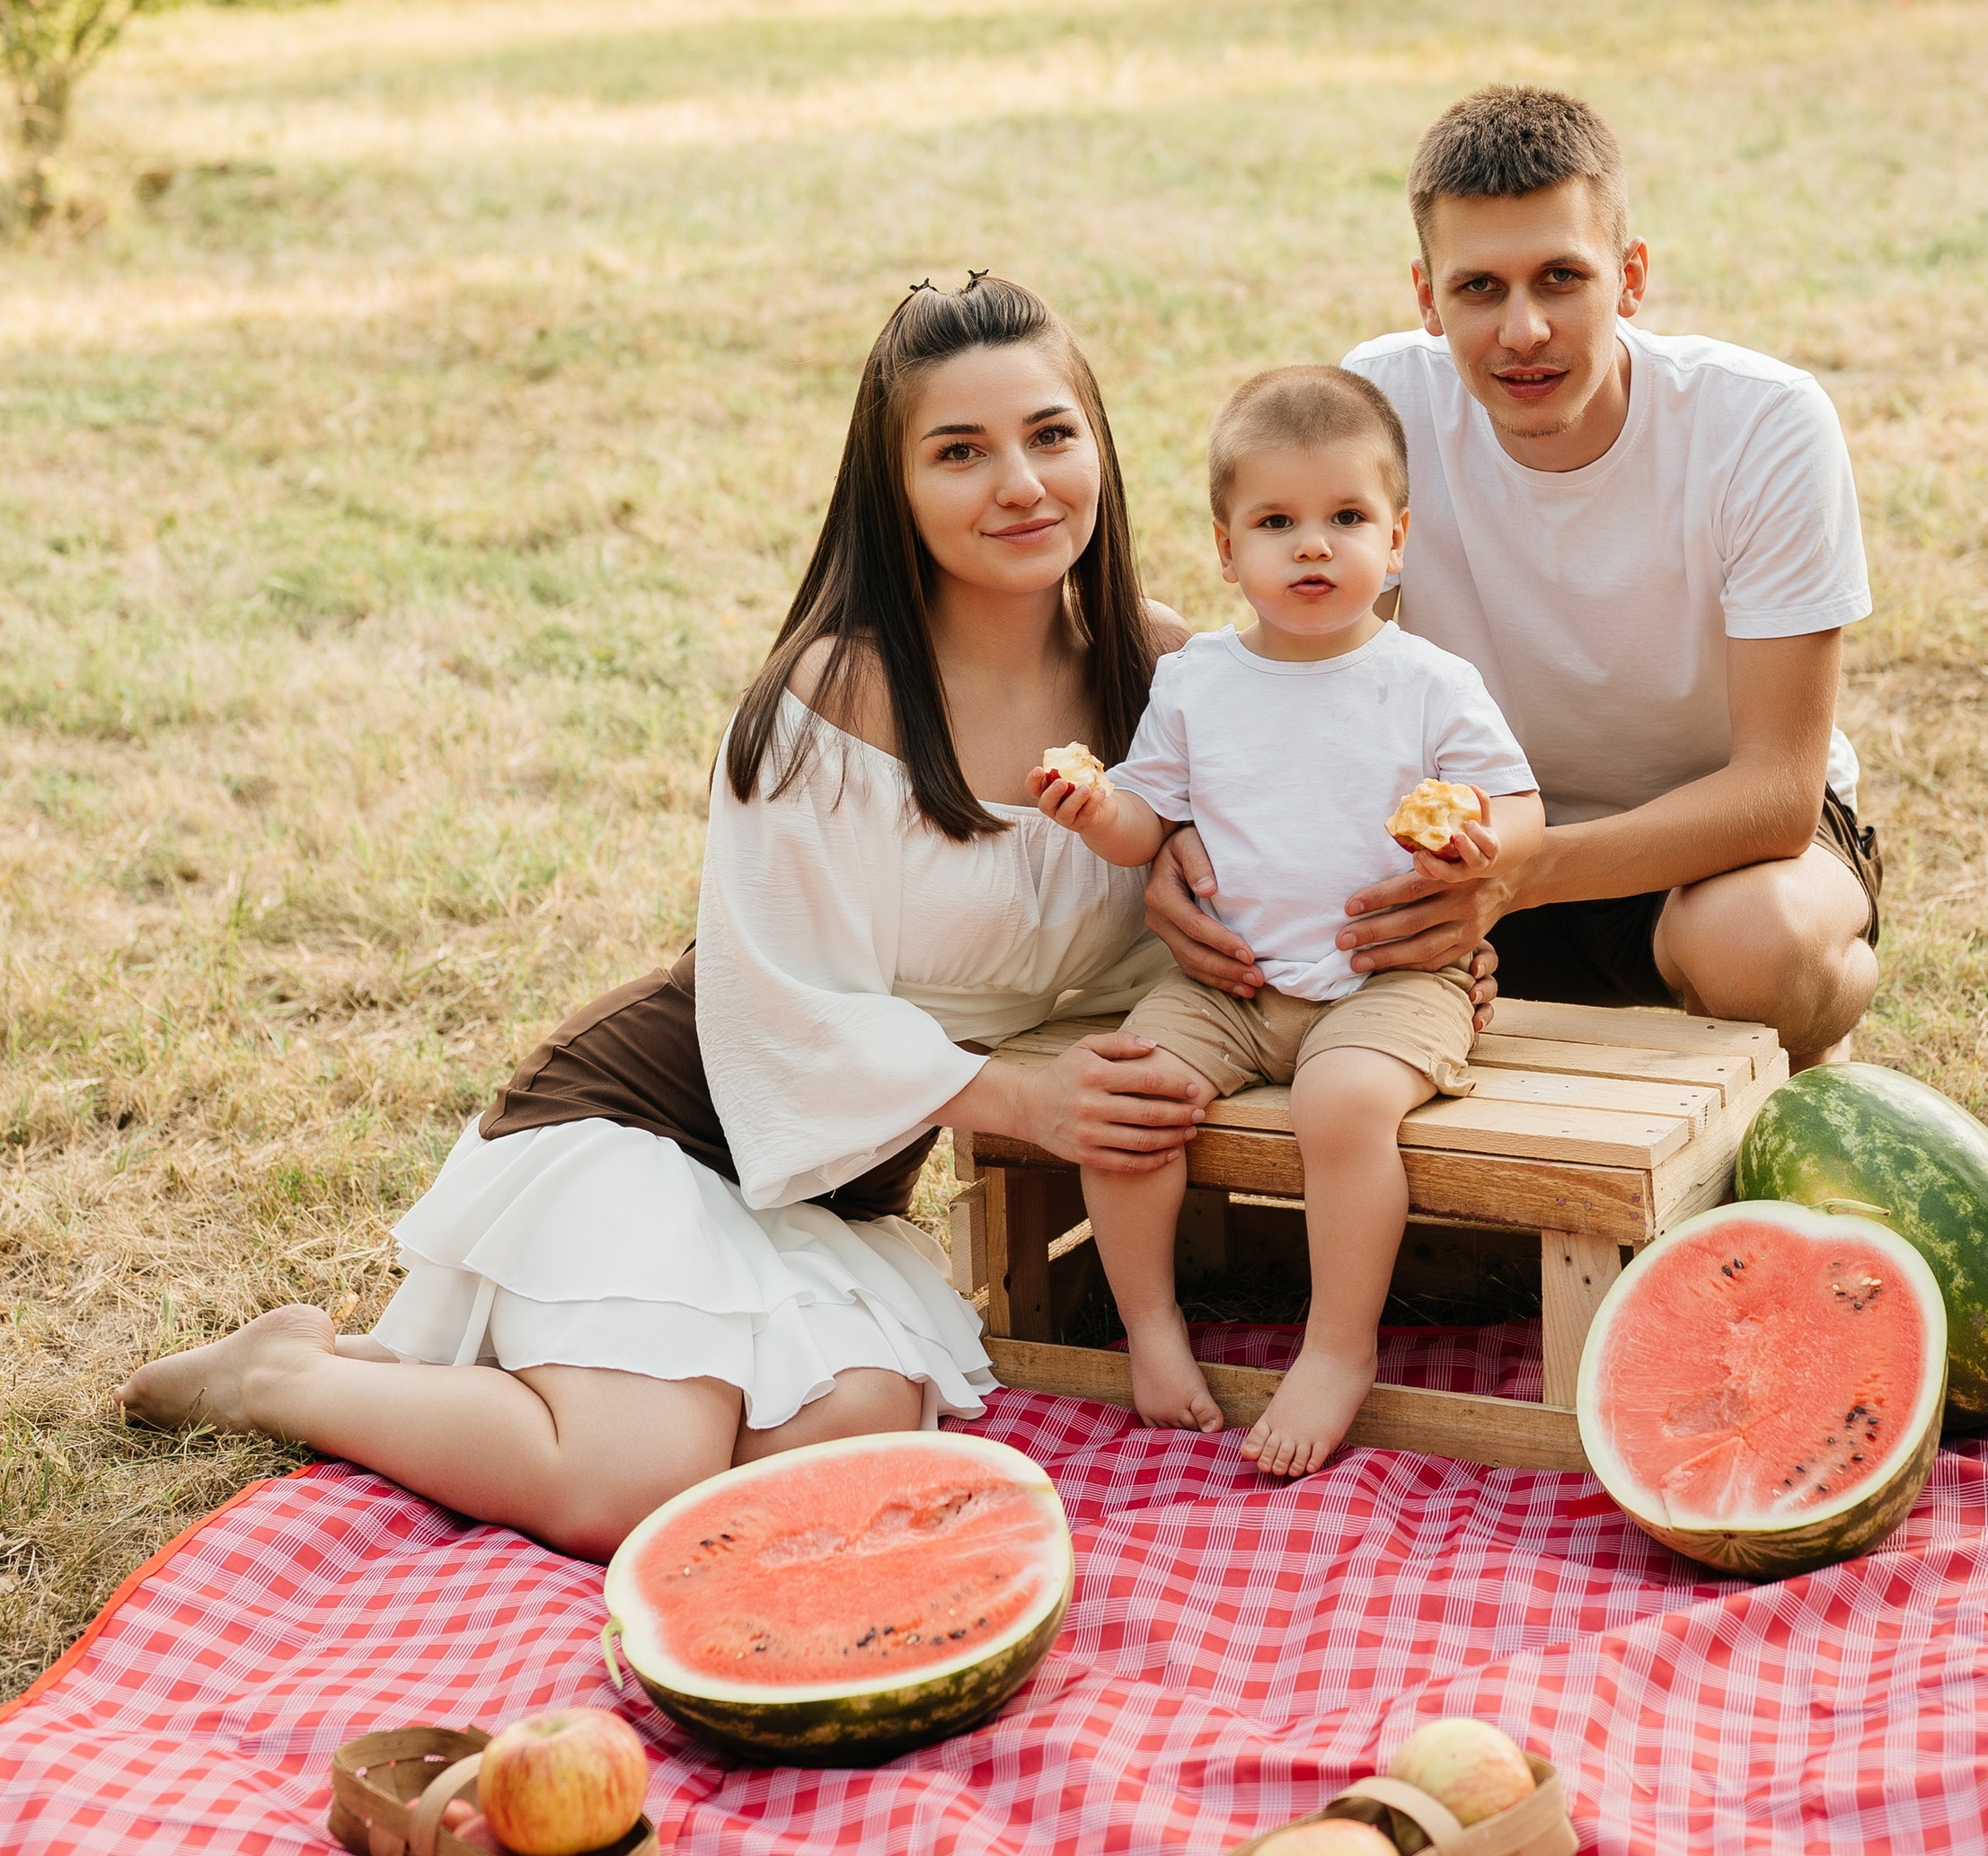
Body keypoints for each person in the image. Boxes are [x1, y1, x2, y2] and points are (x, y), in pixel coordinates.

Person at [123, 277, 1218, 1557]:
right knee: (628, 1485)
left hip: (829, 1183)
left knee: (854, 1432)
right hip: (655, 1120)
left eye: (1049, 434)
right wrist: (1024, 1101)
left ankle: (516, 1381)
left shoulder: (1161, 672)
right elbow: (778, 1009)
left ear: (1099, 441)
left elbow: (1245, 886)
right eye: (959, 451)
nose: (1021, 484)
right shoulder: (833, 695)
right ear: (893, 487)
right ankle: (284, 1376)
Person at [1146, 88, 1881, 1071]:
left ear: (1630, 277)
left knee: (1762, 945)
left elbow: (1777, 793)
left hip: (1710, 853)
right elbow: (1317, 683)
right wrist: (1188, 834)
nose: (1523, 329)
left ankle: (1808, 1058)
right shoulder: (1382, 403)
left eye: (1561, 278)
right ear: (1427, 296)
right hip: (1464, 857)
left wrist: (1519, 874)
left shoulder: (1762, 422)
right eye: (1480, 288)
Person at [1035, 367, 1541, 1479]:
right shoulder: (1198, 682)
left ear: (1395, 538)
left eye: (1346, 517)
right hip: (1229, 980)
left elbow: (1519, 805)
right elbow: (1146, 821)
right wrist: (1096, 808)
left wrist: (1480, 841)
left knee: (1341, 1100)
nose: (1313, 545)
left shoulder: (1427, 681)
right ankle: (1151, 1326)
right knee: (1127, 1093)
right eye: (1275, 522)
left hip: (1389, 978)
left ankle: (1337, 1346)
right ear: (1227, 551)